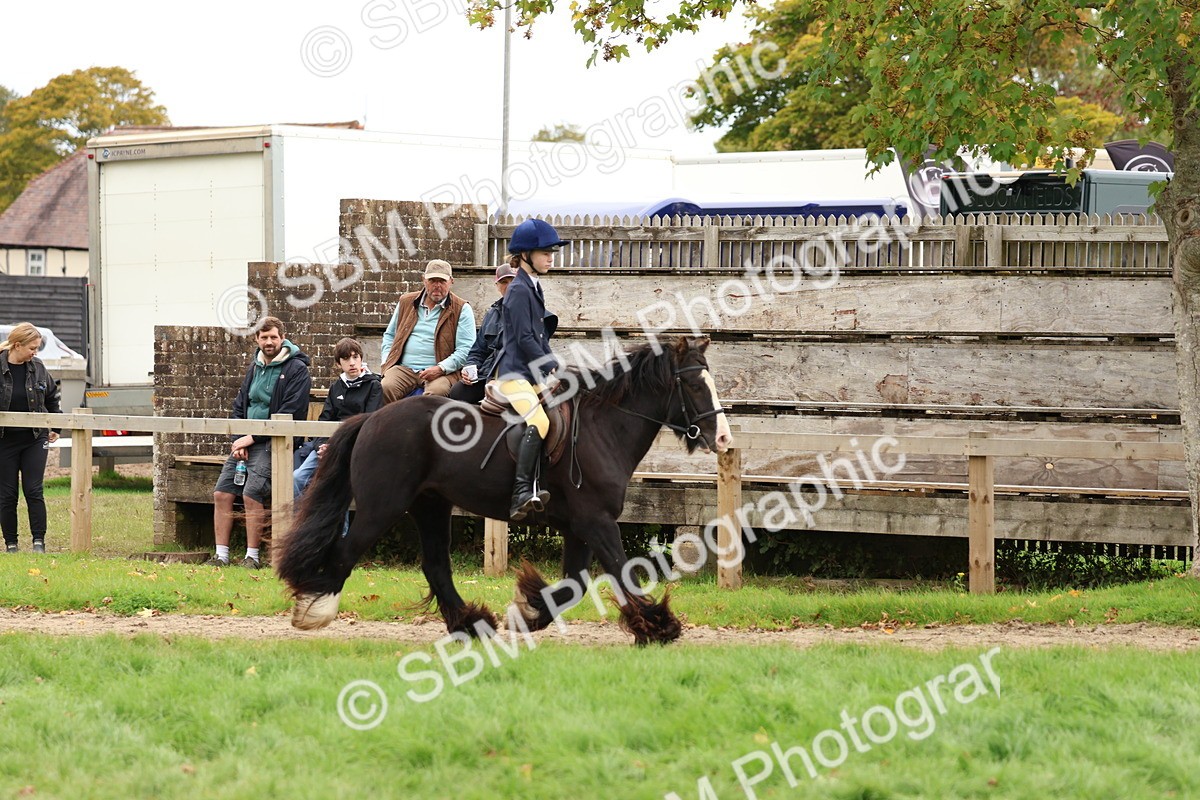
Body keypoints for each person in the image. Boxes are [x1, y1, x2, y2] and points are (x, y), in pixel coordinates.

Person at [211, 317, 312, 568]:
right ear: (256, 339)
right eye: (264, 337)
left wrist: (253, 437)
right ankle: (221, 555)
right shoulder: (254, 367)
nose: (269, 342)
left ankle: (251, 557)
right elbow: (239, 406)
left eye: (273, 337)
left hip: (274, 443)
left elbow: (292, 411)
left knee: (251, 494)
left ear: (282, 338)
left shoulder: (296, 369)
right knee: (222, 493)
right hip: (245, 442)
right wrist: (240, 441)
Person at [490, 219, 568, 521]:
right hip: (513, 374)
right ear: (525, 255)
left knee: (558, 412)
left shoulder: (533, 287)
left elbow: (538, 337)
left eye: (552, 252)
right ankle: (521, 491)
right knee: (539, 419)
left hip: (531, 374)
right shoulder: (520, 290)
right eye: (544, 252)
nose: (551, 257)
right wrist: (551, 365)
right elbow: (523, 339)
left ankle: (538, 483)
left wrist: (555, 365)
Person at [293, 337, 382, 498]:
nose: (352, 363)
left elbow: (369, 422)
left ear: (361, 359)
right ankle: (302, 522)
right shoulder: (336, 387)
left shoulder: (374, 385)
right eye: (346, 358)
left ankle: (341, 524)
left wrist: (339, 448)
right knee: (297, 478)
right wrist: (322, 446)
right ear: (339, 364)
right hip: (330, 446)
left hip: (354, 449)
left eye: (356, 357)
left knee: (337, 486)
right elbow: (324, 420)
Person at [0, 323, 61, 554]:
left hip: (34, 437)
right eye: (32, 348)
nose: (35, 352)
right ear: (17, 345)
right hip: (4, 439)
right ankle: (11, 544)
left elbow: (52, 397)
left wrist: (56, 426)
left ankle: (39, 542)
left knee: (34, 490)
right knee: (7, 494)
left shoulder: (37, 367)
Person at [380, 259, 476, 403]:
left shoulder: (462, 308)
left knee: (436, 393)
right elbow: (390, 336)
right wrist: (387, 364)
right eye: (432, 280)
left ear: (451, 281)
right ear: (424, 280)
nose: (437, 286)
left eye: (442, 281)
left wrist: (441, 368)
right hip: (404, 369)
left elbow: (465, 349)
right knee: (385, 387)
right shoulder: (406, 302)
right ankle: (394, 425)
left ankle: (424, 426)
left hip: (442, 372)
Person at [448, 263, 517, 404]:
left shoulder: (532, 312)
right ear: (497, 285)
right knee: (457, 393)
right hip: (487, 375)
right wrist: (469, 369)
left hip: (518, 377)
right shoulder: (492, 313)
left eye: (514, 281)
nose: (509, 286)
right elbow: (478, 350)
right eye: (504, 282)